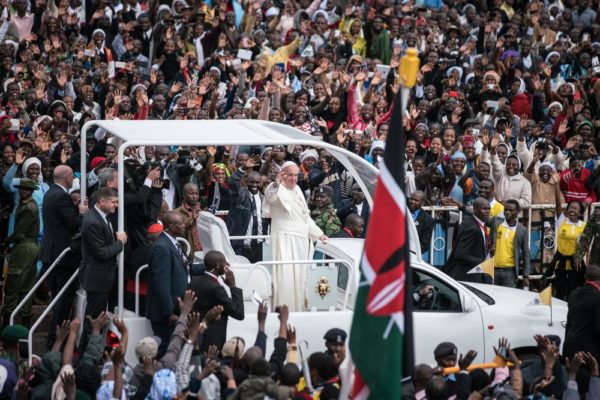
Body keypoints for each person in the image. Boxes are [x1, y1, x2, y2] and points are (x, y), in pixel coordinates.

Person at [264, 161, 327, 311]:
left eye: (296, 175)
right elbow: (270, 196)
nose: (293, 178)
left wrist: (320, 234)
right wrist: (275, 184)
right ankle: (285, 311)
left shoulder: (298, 189)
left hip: (302, 242)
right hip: (286, 241)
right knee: (287, 279)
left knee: (301, 278)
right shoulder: (275, 187)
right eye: (290, 175)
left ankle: (299, 310)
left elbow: (305, 218)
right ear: (282, 175)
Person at [39, 165, 87, 350]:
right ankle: (55, 342)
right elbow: (74, 223)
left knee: (59, 298)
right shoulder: (61, 196)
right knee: (63, 300)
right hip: (63, 256)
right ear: (67, 178)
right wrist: (81, 213)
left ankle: (56, 340)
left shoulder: (50, 193)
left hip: (53, 253)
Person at [80, 187, 127, 351]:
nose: (117, 205)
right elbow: (101, 253)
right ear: (102, 202)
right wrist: (120, 243)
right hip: (97, 279)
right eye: (114, 202)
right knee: (93, 320)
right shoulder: (92, 221)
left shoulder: (103, 217)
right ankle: (86, 356)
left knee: (95, 318)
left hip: (103, 278)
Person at [146, 211, 190, 357]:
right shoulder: (162, 247)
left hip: (176, 308)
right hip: (165, 314)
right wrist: (169, 312)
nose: (184, 226)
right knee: (165, 350)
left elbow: (185, 266)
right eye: (181, 223)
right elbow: (161, 283)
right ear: (171, 226)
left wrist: (207, 266)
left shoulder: (173, 241)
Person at [1, 179, 39, 328]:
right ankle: (23, 323)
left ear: (32, 191)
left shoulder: (29, 207)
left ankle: (7, 325)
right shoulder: (26, 205)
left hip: (25, 247)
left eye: (27, 189)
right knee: (26, 285)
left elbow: (19, 232)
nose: (23, 191)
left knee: (14, 284)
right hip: (28, 245)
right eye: (22, 188)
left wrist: (6, 243)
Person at [189, 250, 244, 352]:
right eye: (224, 262)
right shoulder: (216, 288)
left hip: (196, 334)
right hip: (212, 341)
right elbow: (238, 313)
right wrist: (233, 286)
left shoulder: (195, 280)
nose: (227, 264)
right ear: (218, 265)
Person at [445, 198, 491, 282]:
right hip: (466, 275)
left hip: (474, 274)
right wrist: (484, 262)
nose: (488, 211)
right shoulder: (472, 228)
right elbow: (460, 254)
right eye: (484, 209)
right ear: (475, 210)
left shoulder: (479, 223)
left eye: (489, 209)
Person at [549, 200, 587, 300]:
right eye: (571, 207)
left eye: (575, 209)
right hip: (561, 261)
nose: (572, 210)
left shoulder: (583, 226)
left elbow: (585, 245)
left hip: (575, 263)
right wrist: (557, 186)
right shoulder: (562, 221)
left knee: (572, 291)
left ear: (579, 213)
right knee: (559, 291)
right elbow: (558, 204)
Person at [563, 263, 600, 365]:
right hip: (589, 355)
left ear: (585, 278)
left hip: (570, 349)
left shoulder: (574, 294)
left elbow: (569, 324)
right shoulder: (597, 297)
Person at [227, 167, 265, 263]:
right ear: (247, 181)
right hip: (241, 245)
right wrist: (241, 169)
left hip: (259, 246)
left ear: (261, 182)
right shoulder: (241, 195)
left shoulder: (264, 199)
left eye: (257, 182)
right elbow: (232, 182)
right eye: (252, 182)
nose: (254, 185)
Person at [491, 200, 531, 288]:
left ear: (518, 212)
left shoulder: (522, 230)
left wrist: (526, 276)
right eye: (506, 209)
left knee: (508, 298)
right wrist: (463, 207)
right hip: (493, 270)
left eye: (511, 210)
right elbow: (480, 216)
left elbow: (526, 253)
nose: (507, 212)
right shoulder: (496, 222)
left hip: (510, 272)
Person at [174, 182, 202, 255]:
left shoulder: (202, 211)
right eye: (191, 194)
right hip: (188, 252)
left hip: (204, 252)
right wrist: (191, 219)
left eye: (196, 194)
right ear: (183, 195)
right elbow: (178, 232)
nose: (194, 196)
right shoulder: (176, 213)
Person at [408, 190, 434, 260]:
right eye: (411, 199)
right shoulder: (401, 212)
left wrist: (412, 253)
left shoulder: (428, 220)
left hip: (412, 256)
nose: (412, 201)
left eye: (416, 200)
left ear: (422, 203)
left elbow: (425, 244)